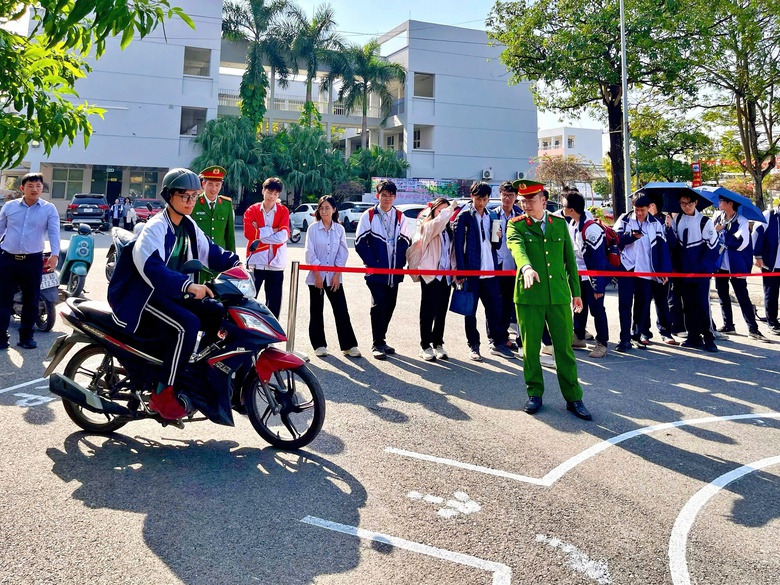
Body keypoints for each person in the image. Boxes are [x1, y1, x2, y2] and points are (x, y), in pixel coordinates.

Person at [108, 168, 240, 420]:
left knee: (216, 311)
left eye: (194, 196)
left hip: (171, 292)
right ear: (169, 196)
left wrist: (237, 265)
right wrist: (189, 287)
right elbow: (151, 268)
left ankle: (199, 375)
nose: (190, 201)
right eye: (185, 196)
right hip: (143, 295)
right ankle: (164, 393)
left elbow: (211, 252)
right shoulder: (155, 227)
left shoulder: (188, 225)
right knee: (186, 325)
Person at [507, 180, 592, 421]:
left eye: (530, 200)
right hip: (529, 296)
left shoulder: (559, 224)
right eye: (522, 201)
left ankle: (574, 397)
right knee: (531, 349)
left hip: (557, 296)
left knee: (564, 349)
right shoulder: (516, 225)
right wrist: (525, 268)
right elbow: (516, 248)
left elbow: (570, 261)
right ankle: (535, 393)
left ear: (543, 200)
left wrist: (576, 292)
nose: (525, 205)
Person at [453, 181, 514, 362]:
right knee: (470, 311)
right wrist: (461, 272)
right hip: (472, 272)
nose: (482, 202)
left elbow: (495, 244)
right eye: (479, 198)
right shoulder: (463, 216)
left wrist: (498, 237)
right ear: (472, 197)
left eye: (485, 199)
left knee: (495, 308)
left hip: (490, 271)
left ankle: (497, 343)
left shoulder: (492, 216)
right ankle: (473, 346)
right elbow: (458, 247)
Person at [0, 172, 60, 350]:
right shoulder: (10, 207)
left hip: (32, 261)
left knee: (31, 300)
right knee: (3, 299)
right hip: (8, 259)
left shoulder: (49, 209)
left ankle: (26, 337)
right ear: (22, 188)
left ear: (42, 188)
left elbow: (54, 232)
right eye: (30, 186)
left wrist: (54, 254)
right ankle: (1, 337)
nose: (35, 189)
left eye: (38, 186)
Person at [355, 180, 412, 360]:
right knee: (379, 304)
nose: (387, 198)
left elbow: (406, 241)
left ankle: (382, 339)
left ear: (395, 197)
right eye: (384, 195)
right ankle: (377, 343)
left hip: (395, 272)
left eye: (391, 195)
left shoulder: (400, 216)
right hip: (376, 272)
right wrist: (374, 262)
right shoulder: (369, 215)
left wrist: (400, 262)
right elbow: (359, 243)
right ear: (378, 196)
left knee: (390, 306)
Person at [613, 194, 672, 352]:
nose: (639, 213)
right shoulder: (624, 220)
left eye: (642, 210)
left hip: (646, 269)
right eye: (636, 210)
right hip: (626, 267)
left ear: (649, 208)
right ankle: (624, 338)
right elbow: (613, 241)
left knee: (643, 304)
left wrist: (663, 271)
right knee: (624, 305)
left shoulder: (655, 224)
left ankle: (637, 335)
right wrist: (630, 237)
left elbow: (662, 249)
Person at [304, 195, 360, 358]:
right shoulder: (313, 229)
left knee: (341, 309)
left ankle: (349, 346)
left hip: (334, 277)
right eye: (321, 208)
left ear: (334, 209)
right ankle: (319, 345)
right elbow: (309, 252)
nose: (324, 211)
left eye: (327, 208)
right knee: (316, 310)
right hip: (316, 277)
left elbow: (343, 252)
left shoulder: (339, 229)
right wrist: (317, 274)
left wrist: (337, 273)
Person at [667, 192, 719, 352]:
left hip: (700, 273)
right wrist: (668, 228)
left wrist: (701, 270)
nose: (686, 206)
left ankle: (709, 338)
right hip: (682, 272)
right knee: (687, 305)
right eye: (683, 203)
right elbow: (674, 246)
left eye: (689, 203)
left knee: (702, 305)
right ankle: (693, 336)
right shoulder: (678, 220)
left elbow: (712, 249)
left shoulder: (705, 222)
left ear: (696, 202)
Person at [712, 195, 768, 341]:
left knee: (742, 294)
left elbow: (741, 243)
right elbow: (710, 235)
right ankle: (728, 324)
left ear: (730, 203)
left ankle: (753, 328)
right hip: (720, 262)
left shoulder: (741, 220)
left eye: (722, 201)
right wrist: (717, 230)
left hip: (736, 262)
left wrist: (723, 233)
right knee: (722, 293)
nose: (719, 204)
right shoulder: (718, 216)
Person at [562, 191, 610, 358]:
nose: (562, 209)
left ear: (572, 209)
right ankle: (578, 335)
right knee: (579, 306)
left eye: (564, 206)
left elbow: (598, 261)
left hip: (593, 276)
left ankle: (602, 343)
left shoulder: (591, 229)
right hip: (579, 274)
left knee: (597, 309)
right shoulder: (574, 224)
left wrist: (598, 285)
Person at [415, 196, 457, 361]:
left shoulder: (448, 229)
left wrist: (454, 271)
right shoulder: (429, 225)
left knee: (441, 311)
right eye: (440, 211)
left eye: (445, 211)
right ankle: (425, 345)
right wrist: (449, 208)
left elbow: (451, 252)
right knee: (427, 311)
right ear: (434, 212)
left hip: (445, 276)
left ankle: (438, 343)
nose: (444, 215)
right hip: (430, 275)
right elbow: (438, 222)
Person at [243, 177, 290, 319]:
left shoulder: (283, 211)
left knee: (274, 302)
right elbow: (248, 233)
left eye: (276, 194)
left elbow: (283, 236)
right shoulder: (252, 210)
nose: (272, 196)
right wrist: (273, 230)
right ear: (263, 191)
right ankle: (248, 332)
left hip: (276, 263)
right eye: (270, 192)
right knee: (249, 299)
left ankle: (271, 336)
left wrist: (261, 231)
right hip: (256, 260)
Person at [644, 201, 678, 345]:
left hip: (662, 268)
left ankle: (665, 331)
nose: (648, 208)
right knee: (643, 302)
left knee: (662, 302)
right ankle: (644, 332)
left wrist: (669, 228)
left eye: (651, 205)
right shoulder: (639, 221)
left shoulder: (665, 220)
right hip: (644, 268)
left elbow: (673, 244)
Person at [495, 181, 523, 353]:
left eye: (511, 196)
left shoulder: (520, 215)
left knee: (509, 304)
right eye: (504, 195)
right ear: (500, 195)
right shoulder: (492, 215)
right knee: (494, 304)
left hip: (514, 266)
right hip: (496, 265)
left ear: (515, 197)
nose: (507, 198)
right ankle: (496, 338)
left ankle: (505, 337)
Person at [193, 165, 236, 252]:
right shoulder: (194, 203)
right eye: (210, 184)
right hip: (199, 254)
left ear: (221, 185)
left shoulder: (226, 204)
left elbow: (230, 236)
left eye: (217, 185)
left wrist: (232, 260)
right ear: (203, 184)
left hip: (220, 256)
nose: (214, 189)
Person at [752, 207, 780, 335]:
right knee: (771, 293)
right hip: (772, 262)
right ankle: (772, 322)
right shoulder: (769, 215)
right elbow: (757, 234)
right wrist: (757, 256)